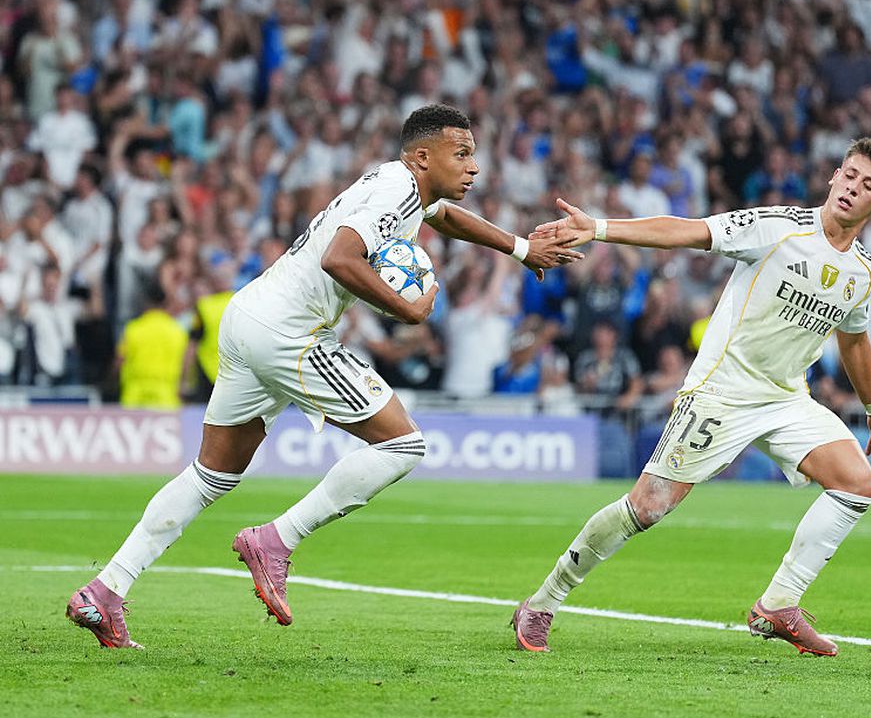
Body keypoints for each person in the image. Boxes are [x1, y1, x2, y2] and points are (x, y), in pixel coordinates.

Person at [66, 104, 583, 648]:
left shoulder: (401, 186)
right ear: (422, 156)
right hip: (290, 334)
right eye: (462, 154)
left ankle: (105, 590)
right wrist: (408, 311)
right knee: (403, 445)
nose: (474, 166)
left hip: (249, 317)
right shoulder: (396, 192)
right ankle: (275, 540)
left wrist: (521, 248)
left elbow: (445, 217)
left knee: (211, 475)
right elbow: (340, 257)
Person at [512, 138, 871, 656]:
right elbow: (688, 231)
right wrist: (600, 228)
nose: (853, 188)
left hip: (785, 398)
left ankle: (778, 605)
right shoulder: (778, 227)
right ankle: (543, 601)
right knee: (647, 508)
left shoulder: (863, 272)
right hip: (721, 392)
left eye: (868, 185)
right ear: (834, 176)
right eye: (849, 175)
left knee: (857, 483)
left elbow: (854, 340)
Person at [116, 280, 187, 408]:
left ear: (145, 302)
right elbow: (185, 364)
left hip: (134, 397)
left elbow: (120, 361)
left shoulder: (133, 328)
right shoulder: (177, 331)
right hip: (166, 397)